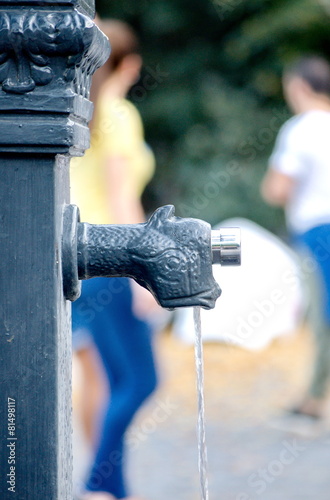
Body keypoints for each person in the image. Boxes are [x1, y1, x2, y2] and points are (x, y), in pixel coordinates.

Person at [70, 19, 160, 500]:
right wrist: (143, 273)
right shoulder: (118, 112)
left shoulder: (77, 113)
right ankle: (99, 484)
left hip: (81, 261)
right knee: (139, 381)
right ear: (130, 64)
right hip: (114, 262)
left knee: (104, 378)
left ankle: (113, 488)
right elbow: (123, 199)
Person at [261, 55, 330, 419]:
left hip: (319, 231)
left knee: (324, 315)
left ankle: (316, 399)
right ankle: (314, 394)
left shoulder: (301, 129)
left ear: (301, 86)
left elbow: (277, 188)